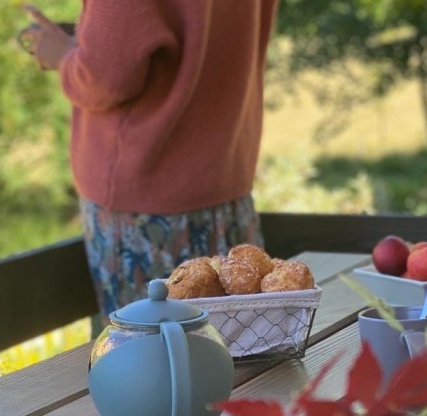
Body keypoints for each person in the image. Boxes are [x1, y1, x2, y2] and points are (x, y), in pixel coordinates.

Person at [21, 0, 279, 322]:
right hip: (227, 189)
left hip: (146, 212)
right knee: (239, 346)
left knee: (149, 355)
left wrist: (62, 55)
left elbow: (105, 76)